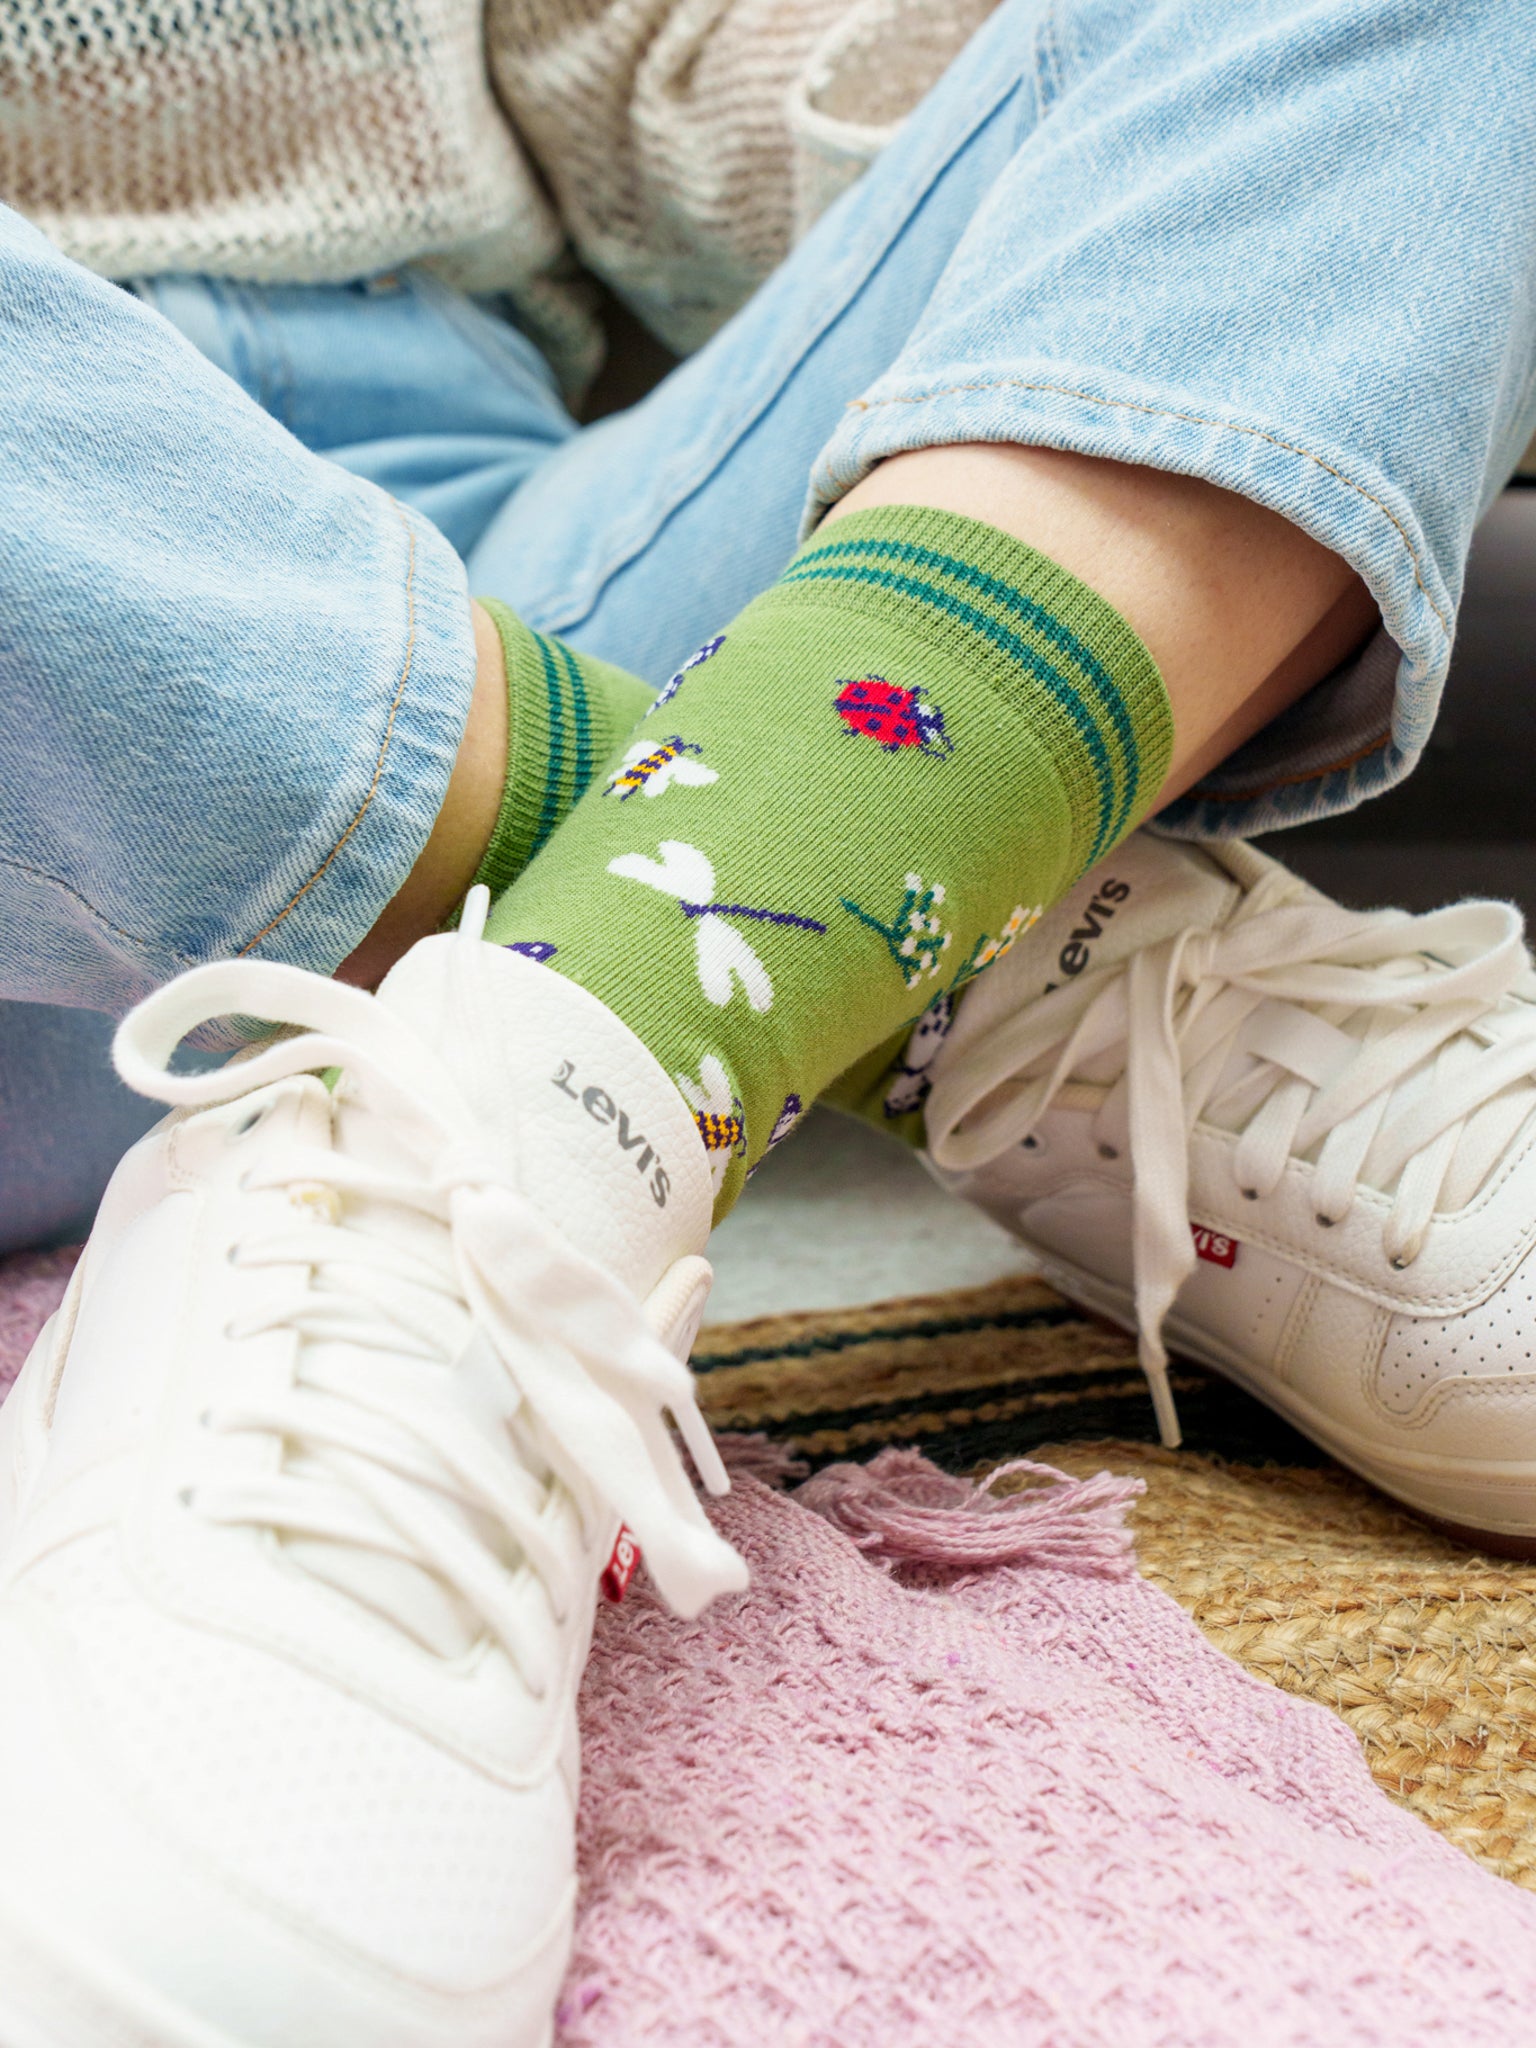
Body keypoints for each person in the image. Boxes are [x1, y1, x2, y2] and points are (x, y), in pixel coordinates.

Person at [1, 0, 1535, 2039]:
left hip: (528, 550)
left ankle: (598, 1027)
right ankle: (899, 949)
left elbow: (649, 76)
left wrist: (1098, 169)